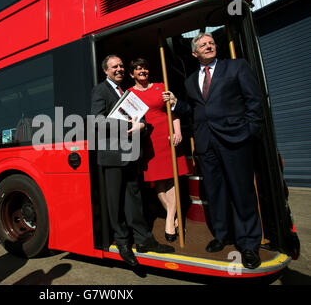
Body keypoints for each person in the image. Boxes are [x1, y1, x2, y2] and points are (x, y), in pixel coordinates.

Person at [163, 32, 263, 269]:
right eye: (203, 44)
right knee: (216, 192)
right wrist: (177, 103)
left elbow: (254, 101)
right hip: (207, 143)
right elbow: (197, 108)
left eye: (211, 43)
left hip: (236, 139)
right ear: (194, 53)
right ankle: (221, 235)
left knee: (242, 191)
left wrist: (250, 131)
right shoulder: (189, 81)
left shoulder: (236, 66)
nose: (209, 46)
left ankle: (248, 244)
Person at [91, 54, 175, 267]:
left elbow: (141, 118)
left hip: (130, 155)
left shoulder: (127, 93)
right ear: (106, 71)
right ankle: (123, 243)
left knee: (134, 201)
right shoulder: (101, 90)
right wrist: (126, 127)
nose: (119, 69)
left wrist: (142, 127)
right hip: (112, 157)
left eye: (120, 65)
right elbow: (97, 121)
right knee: (116, 202)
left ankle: (144, 240)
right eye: (114, 66)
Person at [128, 58, 189, 243]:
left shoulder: (161, 87)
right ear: (132, 74)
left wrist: (177, 131)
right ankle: (173, 214)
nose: (143, 71)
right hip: (148, 140)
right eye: (138, 69)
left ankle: (169, 219)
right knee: (158, 182)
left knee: (172, 178)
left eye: (145, 68)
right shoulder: (129, 94)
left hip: (167, 137)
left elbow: (173, 111)